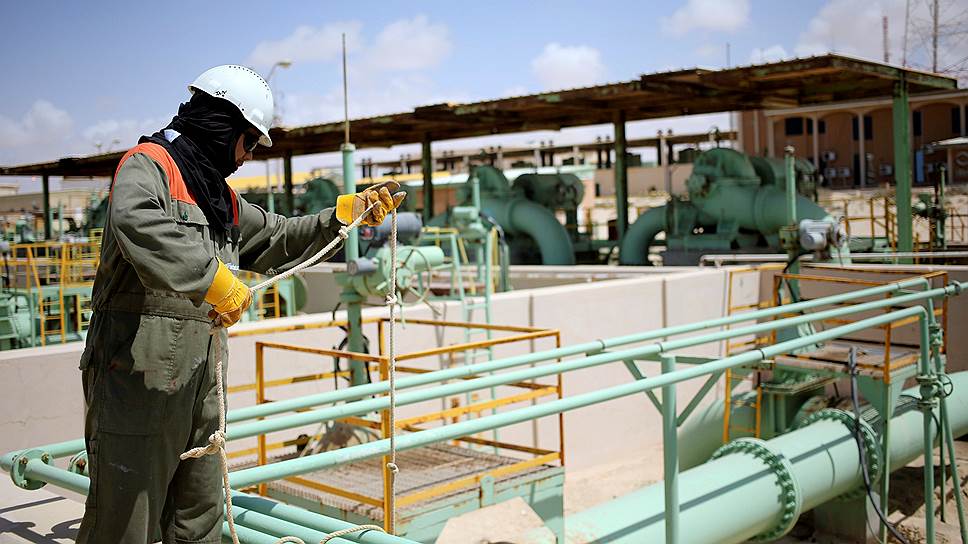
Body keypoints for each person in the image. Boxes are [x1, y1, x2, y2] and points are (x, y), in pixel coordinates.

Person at [76, 64, 403, 543]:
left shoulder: (218, 196)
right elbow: (136, 221)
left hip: (200, 390)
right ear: (220, 124)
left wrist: (338, 217)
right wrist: (211, 279)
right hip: (138, 386)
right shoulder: (148, 166)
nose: (248, 156)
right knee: (125, 524)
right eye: (248, 141)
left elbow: (274, 236)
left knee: (199, 520)